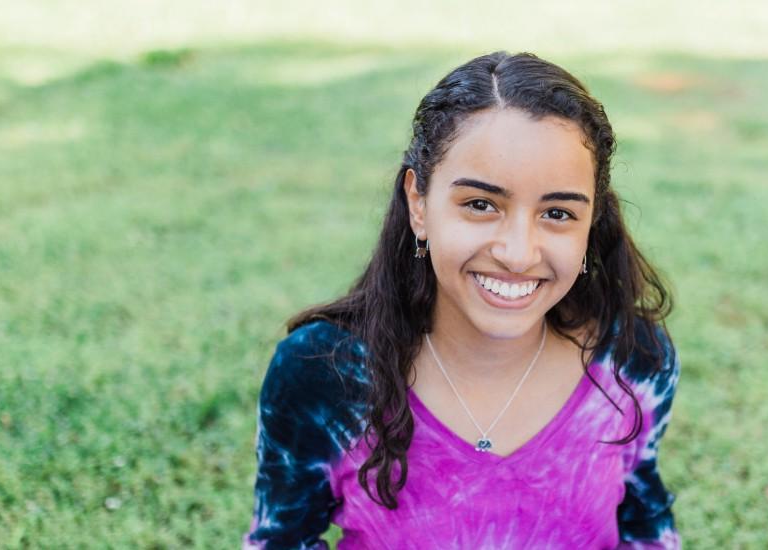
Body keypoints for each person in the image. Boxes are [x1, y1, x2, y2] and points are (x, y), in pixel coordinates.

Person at [243, 50, 682, 549]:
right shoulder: (324, 373)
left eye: (558, 213)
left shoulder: (632, 361)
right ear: (419, 203)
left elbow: (646, 527)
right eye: (480, 205)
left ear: (590, 222)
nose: (518, 253)